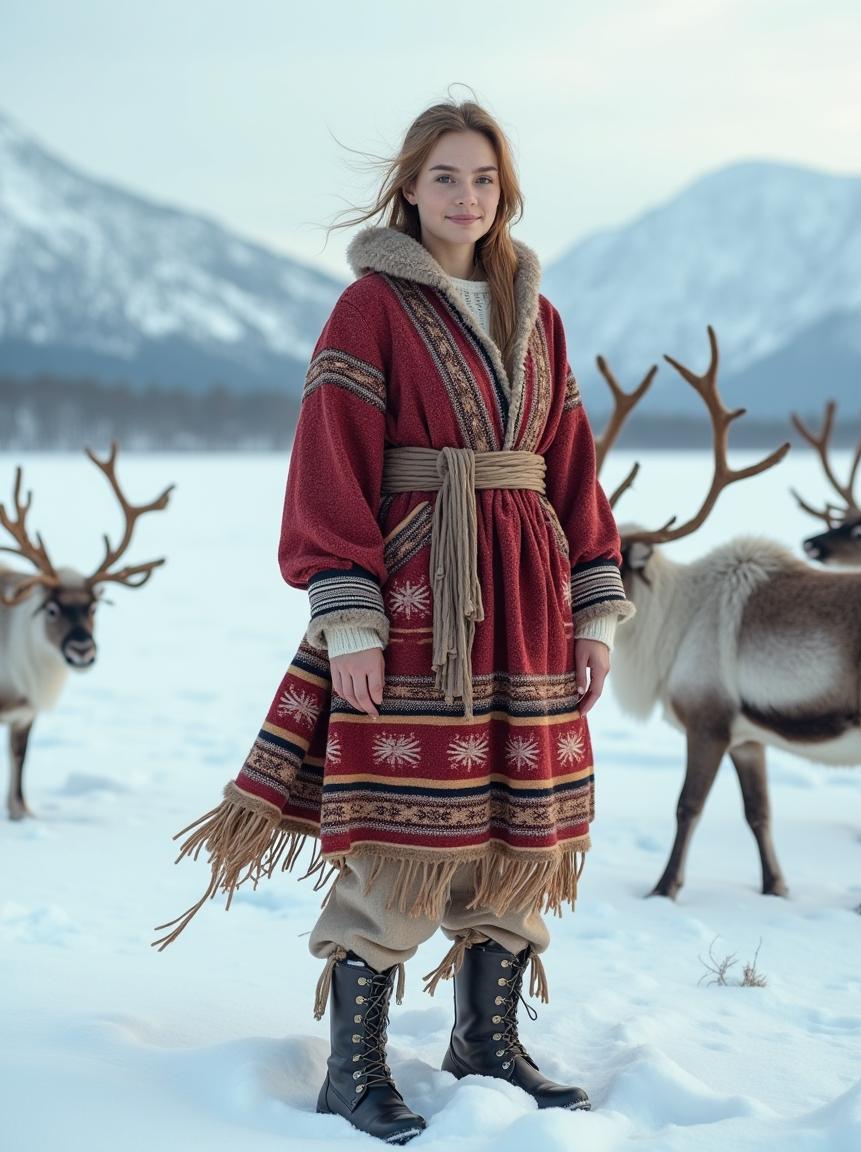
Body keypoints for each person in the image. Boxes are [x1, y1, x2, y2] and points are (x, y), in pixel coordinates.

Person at [154, 95, 635, 1145]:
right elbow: (329, 460)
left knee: (520, 830)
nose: (466, 197)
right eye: (445, 177)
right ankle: (352, 1068)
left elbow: (572, 472)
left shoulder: (536, 313)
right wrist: (351, 617)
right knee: (403, 831)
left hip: (527, 600)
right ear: (408, 188)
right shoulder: (369, 308)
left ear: (504, 191)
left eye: (483, 179)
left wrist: (593, 602)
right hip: (420, 595)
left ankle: (484, 1041)